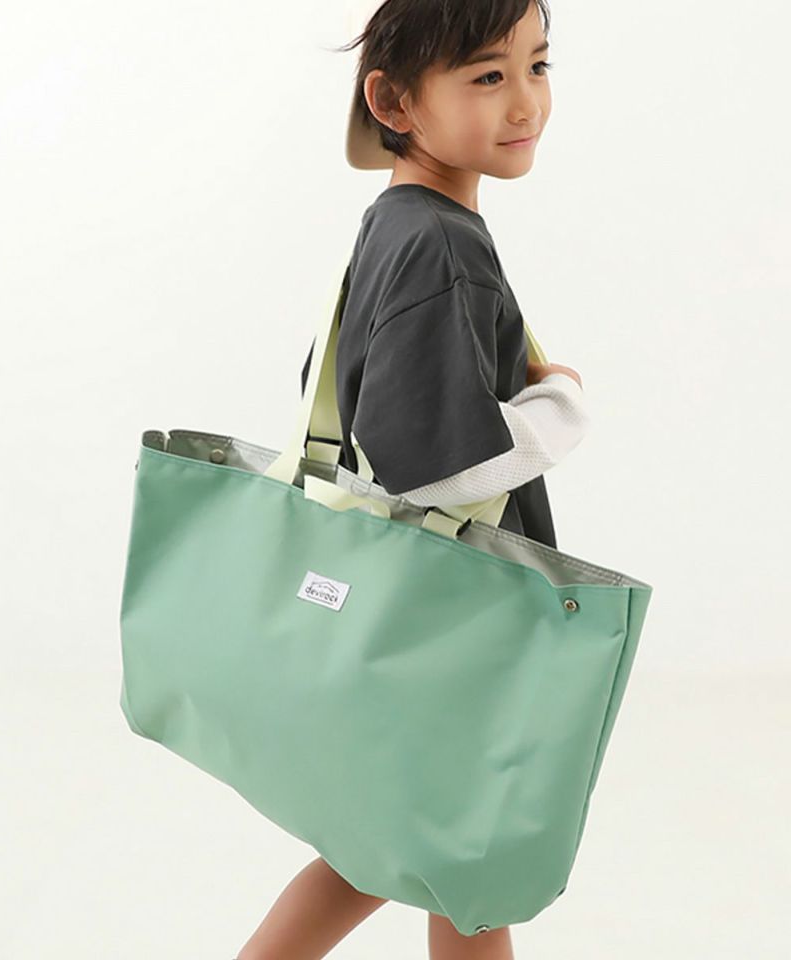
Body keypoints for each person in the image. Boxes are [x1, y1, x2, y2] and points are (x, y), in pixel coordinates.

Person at [235, 2, 584, 958]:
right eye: (487, 76)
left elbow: (343, 394)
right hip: (457, 620)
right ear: (392, 101)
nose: (525, 103)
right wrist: (560, 405)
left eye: (538, 66)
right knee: (464, 855)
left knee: (407, 844)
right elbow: (441, 459)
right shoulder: (442, 243)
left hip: (407, 613)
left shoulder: (392, 224)